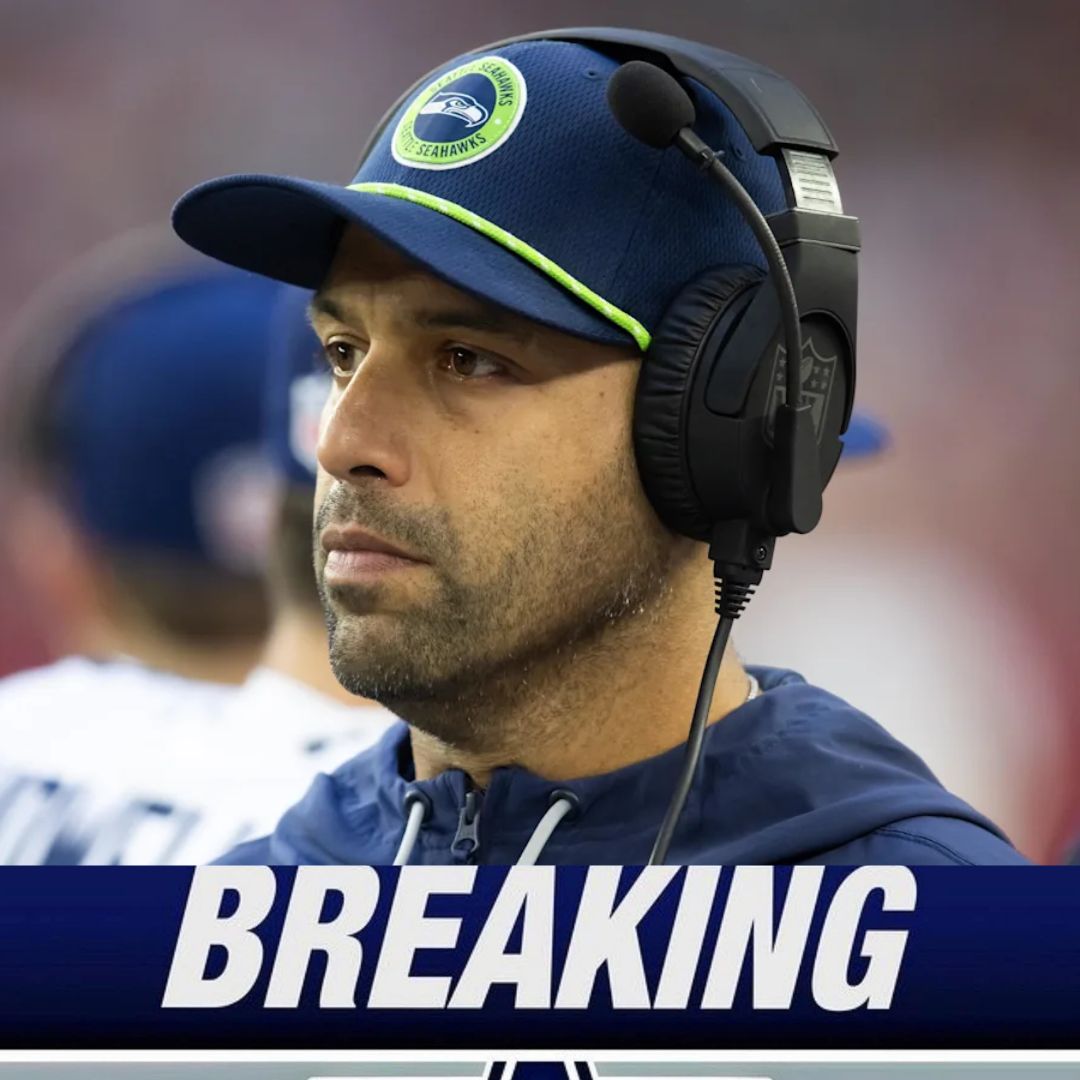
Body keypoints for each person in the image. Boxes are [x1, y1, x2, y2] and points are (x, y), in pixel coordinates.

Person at [171, 32, 1027, 865]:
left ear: (719, 428)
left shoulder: (912, 914)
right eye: (342, 353)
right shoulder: (246, 907)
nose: (340, 442)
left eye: (468, 360)